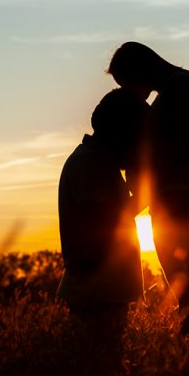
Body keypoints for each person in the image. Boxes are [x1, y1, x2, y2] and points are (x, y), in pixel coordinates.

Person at [107, 42, 189, 351]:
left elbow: (161, 147)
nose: (132, 93)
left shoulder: (179, 88)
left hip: (184, 195)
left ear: (139, 70)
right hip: (187, 193)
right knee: (187, 281)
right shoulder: (178, 88)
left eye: (127, 83)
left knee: (184, 284)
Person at [57, 87, 148, 360]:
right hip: (97, 294)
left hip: (100, 291)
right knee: (96, 368)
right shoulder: (91, 165)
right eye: (138, 137)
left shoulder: (96, 163)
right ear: (122, 132)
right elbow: (103, 224)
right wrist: (145, 195)